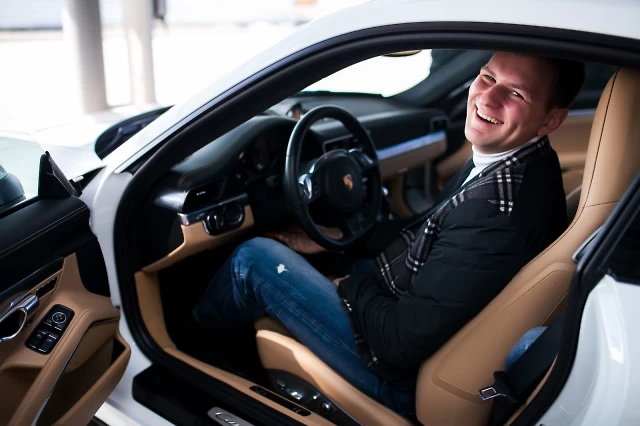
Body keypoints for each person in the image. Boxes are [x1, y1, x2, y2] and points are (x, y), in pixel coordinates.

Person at [193, 52, 585, 416]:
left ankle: (191, 356)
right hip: (412, 313)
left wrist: (350, 286)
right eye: (488, 77)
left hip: (398, 377)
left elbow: (400, 344)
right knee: (327, 257)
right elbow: (429, 226)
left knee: (253, 260)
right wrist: (337, 238)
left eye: (515, 93)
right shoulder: (522, 163)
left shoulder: (497, 212)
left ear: (551, 120)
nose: (488, 97)